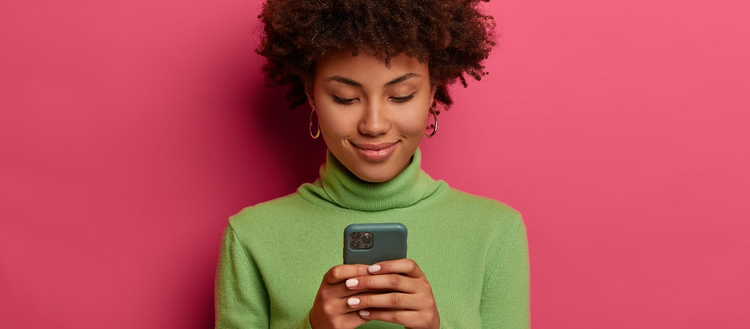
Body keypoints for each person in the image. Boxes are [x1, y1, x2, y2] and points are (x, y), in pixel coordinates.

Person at [215, 0, 529, 328]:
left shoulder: (495, 231)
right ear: (311, 94)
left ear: (432, 93)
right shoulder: (251, 236)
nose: (374, 125)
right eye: (345, 98)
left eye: (401, 96)